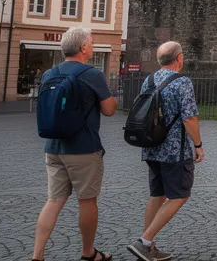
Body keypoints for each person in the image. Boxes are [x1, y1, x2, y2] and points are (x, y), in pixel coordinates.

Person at [32, 27, 117, 261]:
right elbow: (109, 110)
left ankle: (37, 255)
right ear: (82, 48)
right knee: (87, 201)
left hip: (54, 146)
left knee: (53, 201)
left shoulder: (50, 74)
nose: (92, 46)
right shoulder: (92, 74)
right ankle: (88, 253)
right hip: (84, 148)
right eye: (91, 42)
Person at [127, 42, 202, 261]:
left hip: (151, 146)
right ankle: (145, 241)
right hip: (174, 150)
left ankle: (148, 245)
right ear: (178, 58)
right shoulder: (182, 82)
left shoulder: (149, 80)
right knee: (180, 195)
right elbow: (189, 117)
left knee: (157, 195)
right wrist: (197, 144)